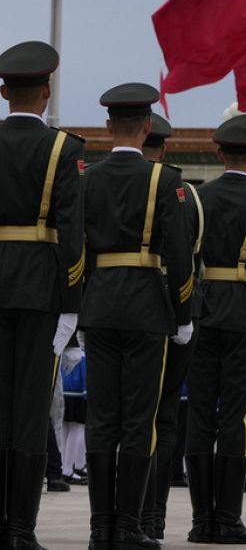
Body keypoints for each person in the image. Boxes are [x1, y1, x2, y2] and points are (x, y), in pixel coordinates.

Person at [82, 82, 194, 550]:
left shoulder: (86, 178)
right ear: (148, 127)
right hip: (148, 308)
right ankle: (128, 526)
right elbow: (180, 254)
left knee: (101, 416)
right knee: (139, 419)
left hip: (100, 305)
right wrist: (183, 311)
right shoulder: (165, 181)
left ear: (109, 127)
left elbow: (77, 248)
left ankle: (99, 529)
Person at [184, 113, 246, 544]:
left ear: (220, 153)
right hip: (244, 313)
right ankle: (227, 518)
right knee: (237, 417)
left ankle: (200, 520)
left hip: (204, 312)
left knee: (200, 413)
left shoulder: (196, 197)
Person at [0, 41, 84, 549]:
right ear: (47, 92)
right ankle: (20, 529)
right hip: (38, 292)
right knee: (30, 411)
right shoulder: (63, 150)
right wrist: (71, 304)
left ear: (4, 91)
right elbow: (73, 236)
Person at [138, 113, 203, 541]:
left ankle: (116, 516)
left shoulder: (106, 181)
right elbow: (189, 256)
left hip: (117, 310)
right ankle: (152, 517)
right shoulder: (183, 193)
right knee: (162, 418)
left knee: (121, 417)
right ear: (163, 149)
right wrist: (183, 315)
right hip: (169, 311)